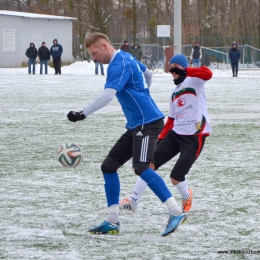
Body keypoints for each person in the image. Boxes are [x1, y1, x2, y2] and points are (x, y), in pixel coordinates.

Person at [67, 32, 187, 237]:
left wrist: (82, 114)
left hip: (147, 122)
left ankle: (176, 211)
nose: (94, 58)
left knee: (141, 167)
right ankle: (112, 220)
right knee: (109, 166)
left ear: (105, 45)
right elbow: (148, 73)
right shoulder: (126, 56)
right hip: (136, 124)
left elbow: (108, 95)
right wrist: (143, 93)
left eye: (95, 53)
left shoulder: (117, 64)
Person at [120, 54, 213, 215]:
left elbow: (208, 73)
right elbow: (171, 120)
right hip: (175, 134)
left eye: (177, 66)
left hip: (194, 136)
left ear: (184, 67)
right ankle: (133, 201)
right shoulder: (174, 92)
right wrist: (160, 138)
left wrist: (187, 71)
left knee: (175, 177)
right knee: (148, 166)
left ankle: (186, 195)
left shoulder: (195, 81)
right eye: (171, 68)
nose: (174, 71)